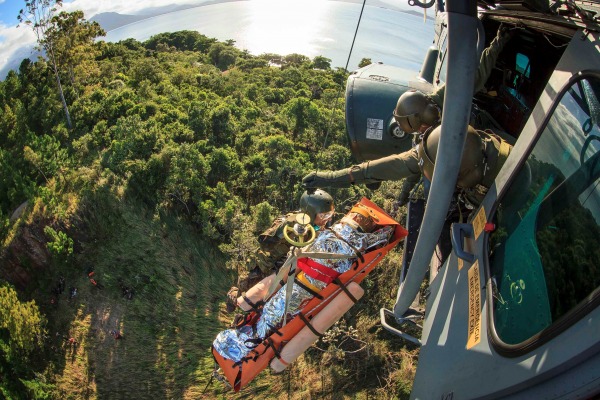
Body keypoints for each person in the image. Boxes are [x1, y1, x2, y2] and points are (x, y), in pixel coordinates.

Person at [213, 205, 394, 363]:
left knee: (271, 314)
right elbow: (384, 237)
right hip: (302, 287)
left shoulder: (328, 235)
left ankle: (246, 338)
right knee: (272, 315)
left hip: (298, 284)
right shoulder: (353, 243)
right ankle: (247, 339)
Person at [226, 189, 335, 312]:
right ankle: (233, 297)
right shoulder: (288, 222)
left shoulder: (318, 230)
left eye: (330, 215)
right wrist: (282, 231)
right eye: (324, 215)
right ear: (310, 213)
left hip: (285, 272)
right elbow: (264, 243)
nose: (327, 219)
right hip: (262, 270)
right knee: (245, 301)